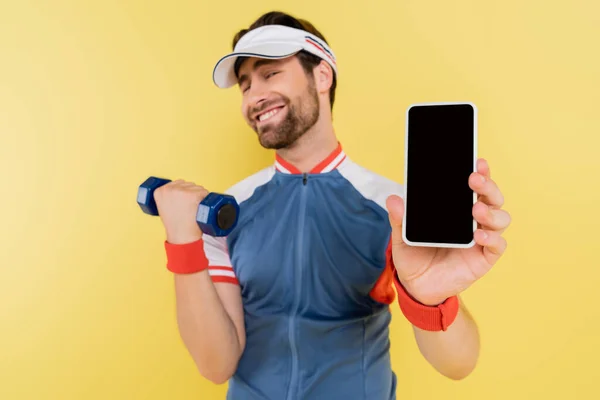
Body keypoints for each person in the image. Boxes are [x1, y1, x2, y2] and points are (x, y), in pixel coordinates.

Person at [153, 10, 511, 400]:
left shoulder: (393, 209)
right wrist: (183, 242)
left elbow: (458, 364)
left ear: (322, 76)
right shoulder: (227, 211)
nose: (253, 96)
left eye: (270, 73)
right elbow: (215, 365)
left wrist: (432, 299)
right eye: (244, 85)